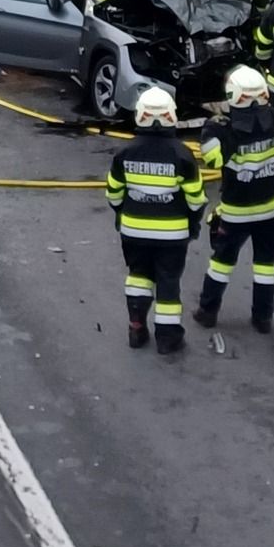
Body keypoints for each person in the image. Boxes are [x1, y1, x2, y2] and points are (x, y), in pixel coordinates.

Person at [106, 87, 207, 353]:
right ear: (171, 116)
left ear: (139, 115)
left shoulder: (124, 154)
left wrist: (123, 215)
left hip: (134, 230)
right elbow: (196, 199)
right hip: (172, 235)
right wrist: (193, 223)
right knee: (168, 281)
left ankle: (136, 327)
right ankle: (168, 337)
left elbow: (113, 194)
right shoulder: (183, 155)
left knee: (138, 276)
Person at [197, 65, 274, 333]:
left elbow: (213, 159)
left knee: (221, 263)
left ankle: (207, 312)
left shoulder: (225, 129)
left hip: (237, 211)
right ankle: (263, 319)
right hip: (272, 210)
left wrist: (212, 129)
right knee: (265, 266)